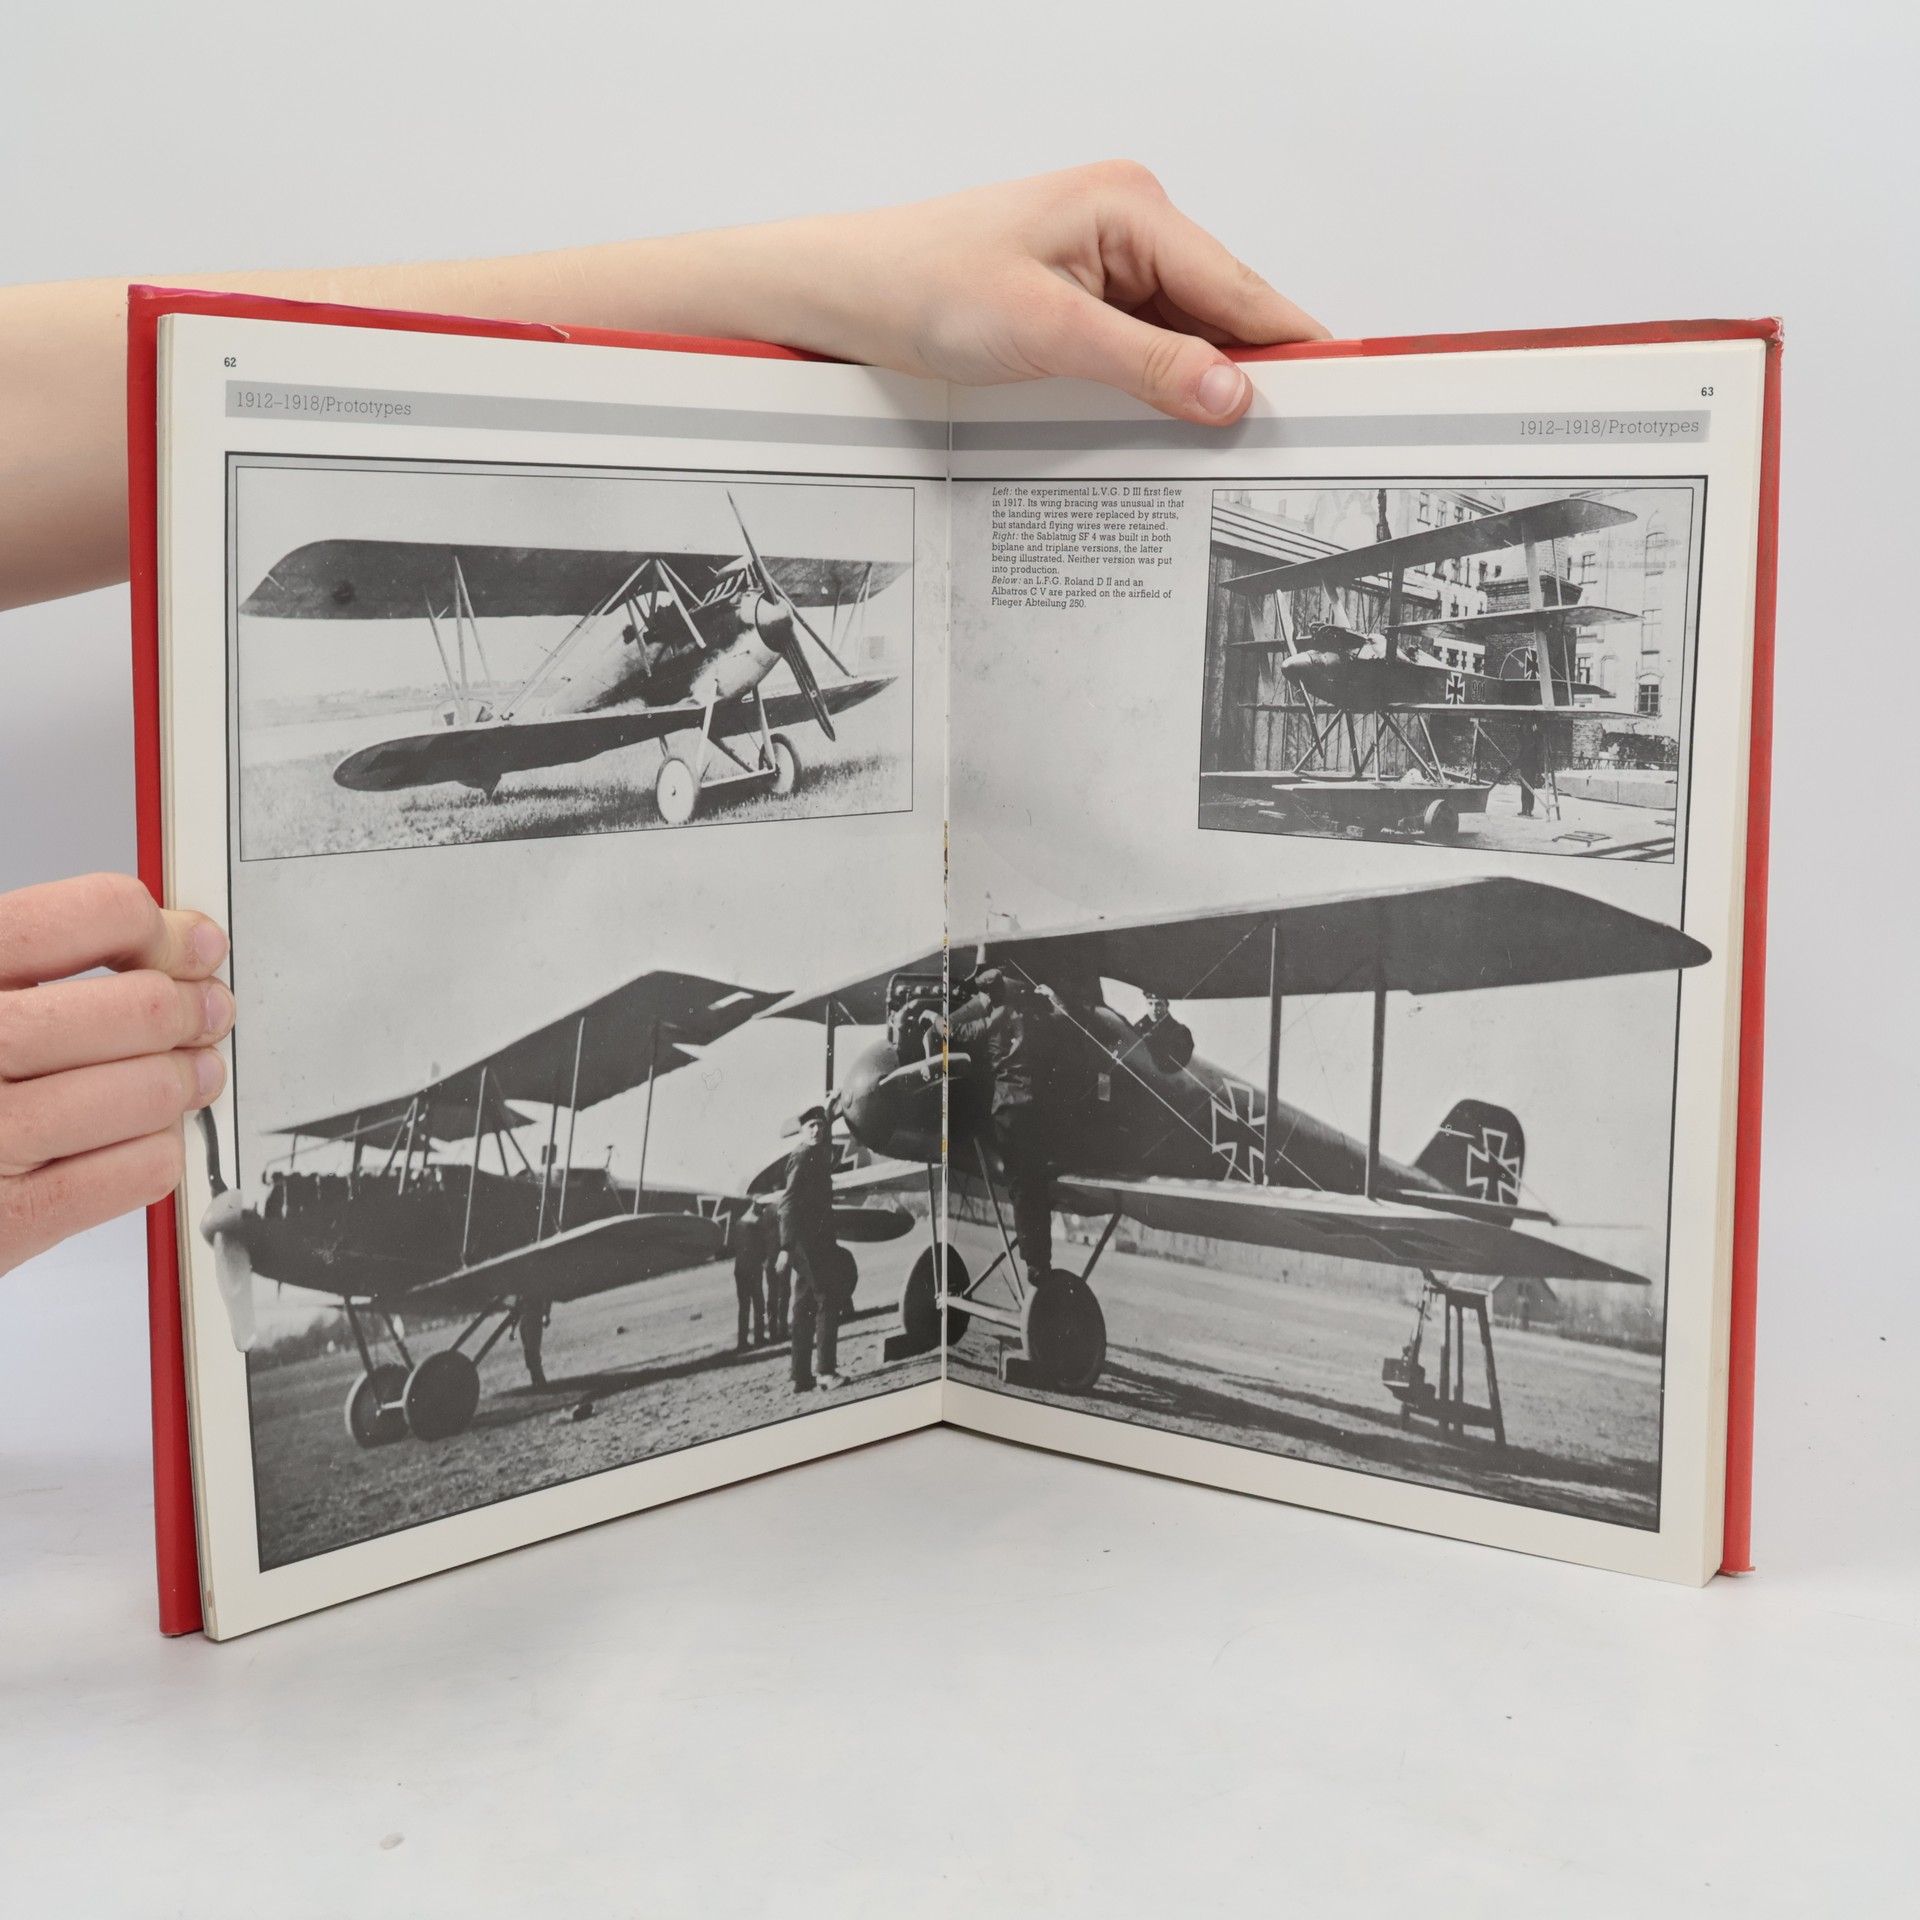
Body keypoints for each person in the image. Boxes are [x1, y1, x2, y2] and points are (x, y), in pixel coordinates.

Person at [0, 163, 1325, 1282]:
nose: (727, 609)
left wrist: (818, 291)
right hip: (532, 734)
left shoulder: (717, 632)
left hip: (685, 723)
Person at [946, 967, 1068, 1283]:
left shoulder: (994, 1019)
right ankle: (1038, 1262)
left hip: (1005, 1111)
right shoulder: (1034, 1018)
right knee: (1033, 1186)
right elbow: (1063, 1020)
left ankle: (1036, 1262)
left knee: (1021, 1186)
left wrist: (936, 1020)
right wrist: (1054, 998)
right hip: (1031, 1111)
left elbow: (959, 1031)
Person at [777, 1105, 843, 1393]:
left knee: (803, 1306)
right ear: (802, 1131)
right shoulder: (803, 1156)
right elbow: (787, 1203)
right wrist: (785, 1246)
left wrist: (831, 1110)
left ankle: (800, 1378)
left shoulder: (817, 1153)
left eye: (820, 1125)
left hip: (811, 1243)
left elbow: (827, 1141)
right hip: (809, 1244)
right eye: (811, 1126)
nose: (816, 1130)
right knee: (827, 1299)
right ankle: (826, 1373)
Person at [731, 1204, 769, 1353]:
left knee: (744, 1306)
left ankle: (742, 1341)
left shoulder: (738, 1224)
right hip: (753, 1268)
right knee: (759, 1303)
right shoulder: (756, 1226)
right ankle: (759, 1337)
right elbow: (762, 1248)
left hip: (740, 1268)